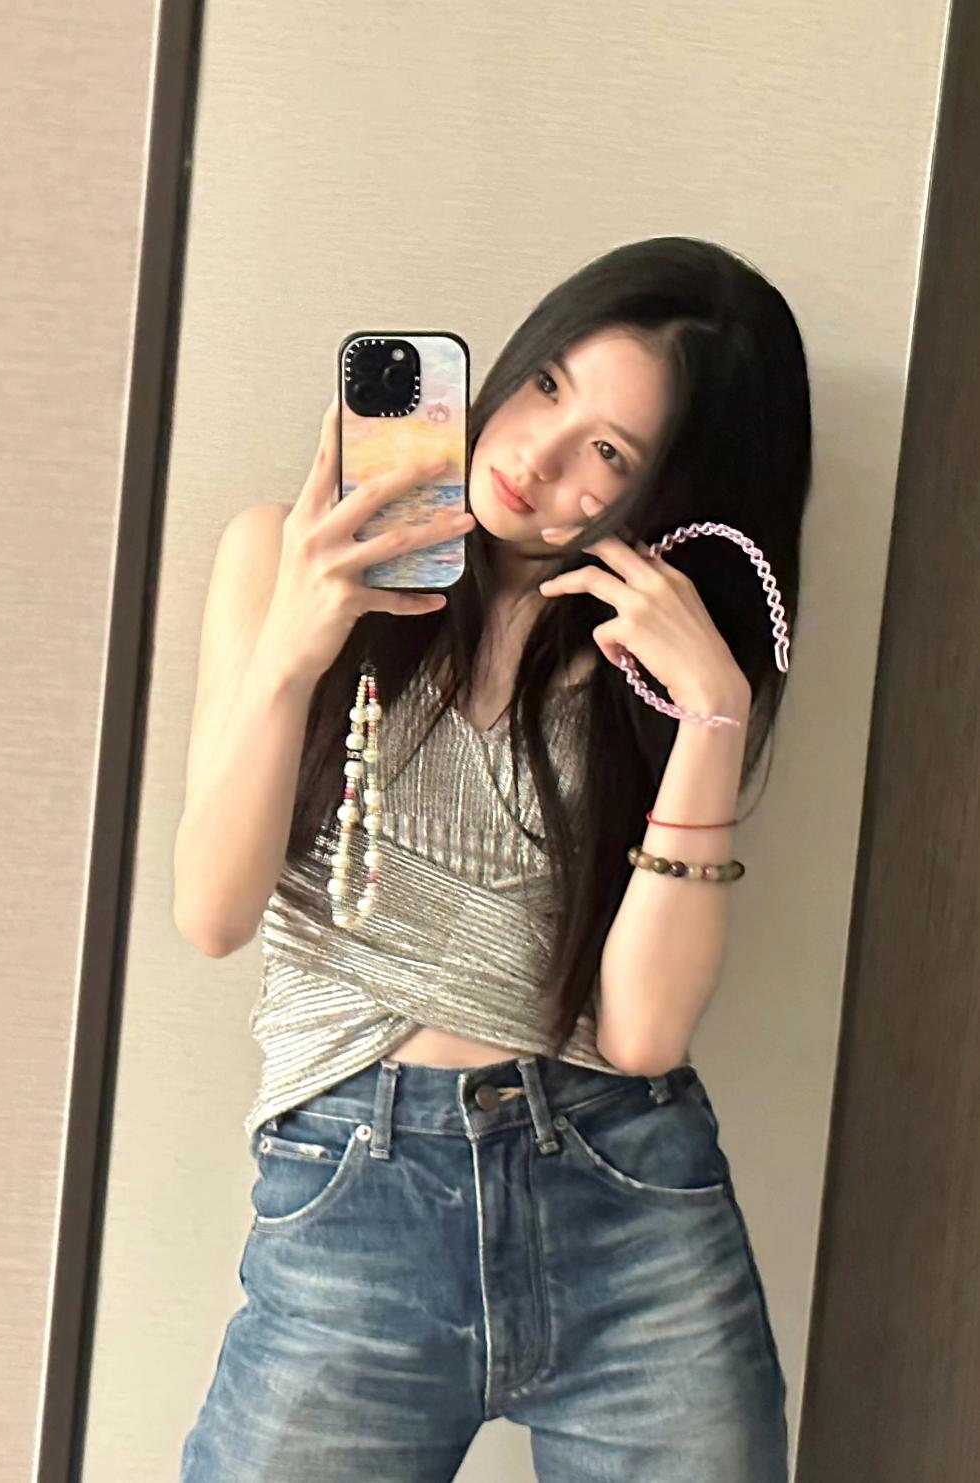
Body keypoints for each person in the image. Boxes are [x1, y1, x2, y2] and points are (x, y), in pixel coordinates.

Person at [174, 236, 812, 1482]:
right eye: (548, 385)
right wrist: (298, 646)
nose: (538, 455)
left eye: (610, 452)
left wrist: (714, 720)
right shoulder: (277, 554)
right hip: (352, 1189)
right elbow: (211, 911)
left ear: (669, 492)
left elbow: (641, 1035)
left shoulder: (651, 663)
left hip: (625, 1188)